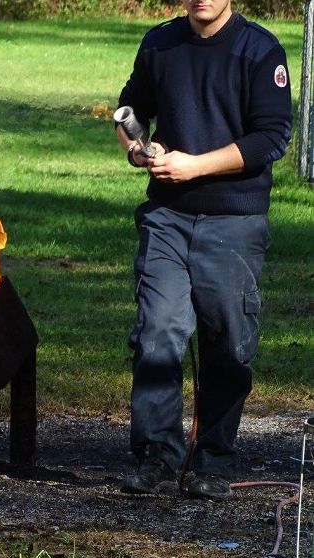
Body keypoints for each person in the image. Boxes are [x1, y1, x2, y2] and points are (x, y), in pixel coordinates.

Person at [115, 0, 292, 499]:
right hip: (167, 216)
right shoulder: (160, 44)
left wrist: (194, 166)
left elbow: (270, 138)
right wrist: (134, 147)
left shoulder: (259, 50)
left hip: (235, 218)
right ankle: (157, 457)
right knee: (157, 333)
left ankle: (214, 460)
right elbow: (129, 109)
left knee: (228, 342)